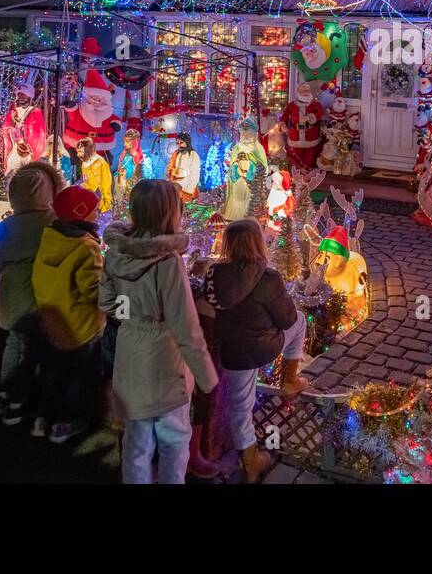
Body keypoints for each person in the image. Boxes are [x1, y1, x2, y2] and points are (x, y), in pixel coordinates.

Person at [100, 179, 217, 483]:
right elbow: (185, 326)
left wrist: (133, 315)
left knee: (136, 441)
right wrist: (206, 377)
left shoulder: (114, 254)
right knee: (173, 440)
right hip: (165, 360)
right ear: (170, 212)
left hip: (130, 351)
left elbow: (107, 302)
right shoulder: (168, 262)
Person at [199, 217, 308, 483]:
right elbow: (287, 319)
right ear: (258, 243)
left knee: (240, 408)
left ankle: (250, 465)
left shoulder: (214, 274)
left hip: (232, 351)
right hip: (262, 348)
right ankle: (289, 380)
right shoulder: (268, 277)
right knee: (301, 321)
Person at [0, 161, 64, 431]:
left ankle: (4, 394)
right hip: (34, 303)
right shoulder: (50, 222)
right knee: (31, 353)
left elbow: (1, 262)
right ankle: (18, 403)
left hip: (9, 300)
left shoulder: (6, 226)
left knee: (13, 344)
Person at [33, 185, 105, 443]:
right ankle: (65, 423)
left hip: (54, 322)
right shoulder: (86, 247)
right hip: (81, 328)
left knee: (54, 372)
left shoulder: (50, 238)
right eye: (95, 210)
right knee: (78, 378)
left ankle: (42, 419)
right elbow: (94, 291)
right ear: (81, 214)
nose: (99, 213)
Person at [77, 137, 112, 214]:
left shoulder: (98, 164)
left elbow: (94, 186)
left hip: (100, 204)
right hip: (90, 200)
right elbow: (85, 180)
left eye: (81, 151)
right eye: (78, 151)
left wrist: (79, 188)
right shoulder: (85, 162)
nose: (78, 155)